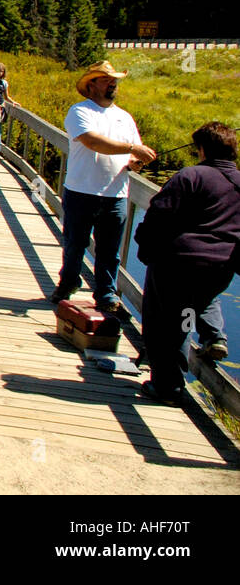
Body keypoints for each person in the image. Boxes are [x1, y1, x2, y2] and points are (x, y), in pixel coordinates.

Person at [133, 122, 240, 405]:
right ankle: (210, 343)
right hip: (219, 268)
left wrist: (144, 246)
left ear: (202, 149)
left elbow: (159, 214)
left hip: (178, 264)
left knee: (160, 324)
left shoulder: (191, 176)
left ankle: (167, 386)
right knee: (188, 313)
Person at [51, 61, 157, 312]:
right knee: (75, 244)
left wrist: (135, 162)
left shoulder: (125, 117)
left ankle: (106, 293)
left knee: (110, 251)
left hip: (115, 194)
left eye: (115, 80)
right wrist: (132, 149)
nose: (113, 84)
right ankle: (68, 282)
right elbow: (92, 141)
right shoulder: (79, 111)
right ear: (92, 84)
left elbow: (133, 153)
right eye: (106, 79)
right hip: (81, 191)